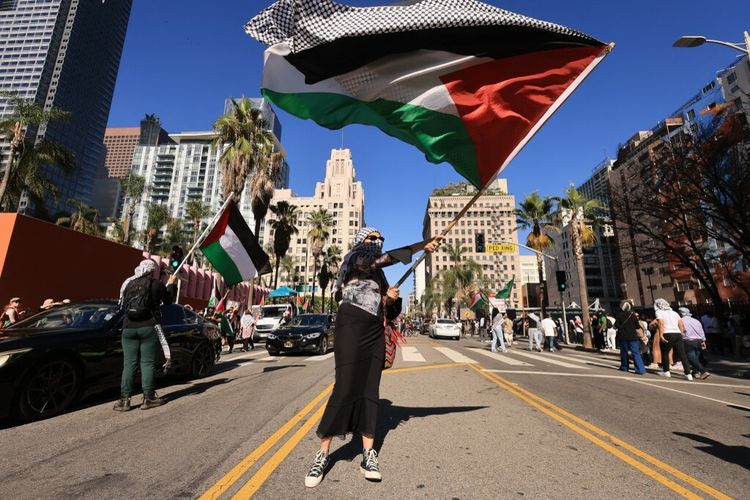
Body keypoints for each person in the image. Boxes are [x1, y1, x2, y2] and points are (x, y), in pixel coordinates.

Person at [304, 227, 441, 488]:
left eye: (380, 239)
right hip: (351, 327)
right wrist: (422, 245)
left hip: (374, 332)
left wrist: (389, 299)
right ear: (361, 241)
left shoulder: (378, 273)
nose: (377, 242)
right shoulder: (353, 258)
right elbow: (383, 259)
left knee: (370, 391)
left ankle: (368, 455)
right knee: (344, 389)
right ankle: (322, 454)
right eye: (372, 238)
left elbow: (389, 308)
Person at [114, 259, 177, 411]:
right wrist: (171, 284)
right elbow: (168, 301)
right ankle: (148, 397)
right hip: (148, 326)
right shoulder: (156, 284)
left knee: (129, 364)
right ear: (152, 271)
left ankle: (124, 400)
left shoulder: (128, 284)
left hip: (128, 327)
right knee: (147, 363)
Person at [654, 298, 693, 380]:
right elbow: (681, 324)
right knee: (682, 354)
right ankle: (688, 374)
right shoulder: (674, 313)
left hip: (667, 333)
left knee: (665, 352)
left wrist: (661, 334)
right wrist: (681, 333)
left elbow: (661, 323)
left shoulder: (659, 312)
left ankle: (666, 371)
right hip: (677, 333)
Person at [679, 307, 710, 380]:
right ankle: (695, 372)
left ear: (680, 313)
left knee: (691, 358)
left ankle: (703, 371)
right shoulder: (696, 321)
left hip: (688, 340)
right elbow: (701, 331)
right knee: (695, 358)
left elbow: (681, 331)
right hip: (698, 340)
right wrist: (703, 341)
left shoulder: (680, 321)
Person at [615, 300, 645, 374]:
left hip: (623, 336)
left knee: (624, 352)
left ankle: (624, 367)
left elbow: (616, 325)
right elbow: (637, 326)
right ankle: (640, 369)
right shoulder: (633, 315)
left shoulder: (619, 315)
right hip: (633, 336)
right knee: (636, 352)